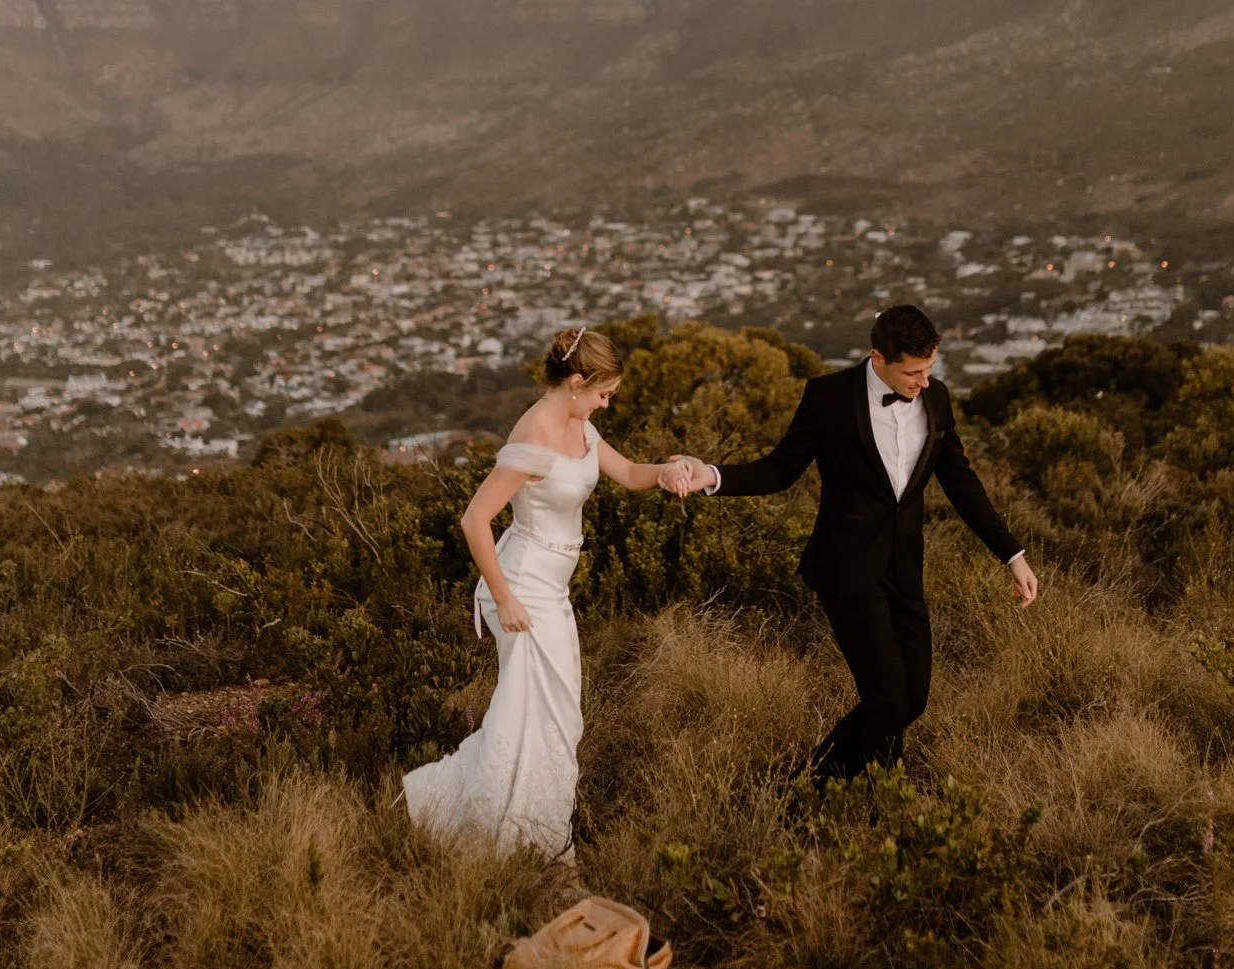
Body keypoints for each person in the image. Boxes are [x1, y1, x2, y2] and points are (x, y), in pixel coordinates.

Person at [662, 303, 1037, 780]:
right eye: (913, 372)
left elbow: (962, 483)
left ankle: (807, 783)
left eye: (929, 369)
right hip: (847, 569)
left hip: (905, 570)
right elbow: (780, 470)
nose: (924, 382)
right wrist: (710, 476)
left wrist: (1012, 554)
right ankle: (880, 802)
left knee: (912, 699)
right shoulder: (829, 397)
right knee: (888, 698)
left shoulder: (937, 399)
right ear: (878, 357)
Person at [404, 326, 685, 858]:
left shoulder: (580, 426)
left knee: (542, 716)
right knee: (547, 717)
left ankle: (481, 821)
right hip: (522, 588)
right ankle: (531, 842)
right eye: (603, 394)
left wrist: (669, 473)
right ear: (577, 382)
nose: (605, 404)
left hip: (550, 590)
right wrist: (504, 598)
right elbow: (474, 520)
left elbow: (628, 473)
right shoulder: (533, 437)